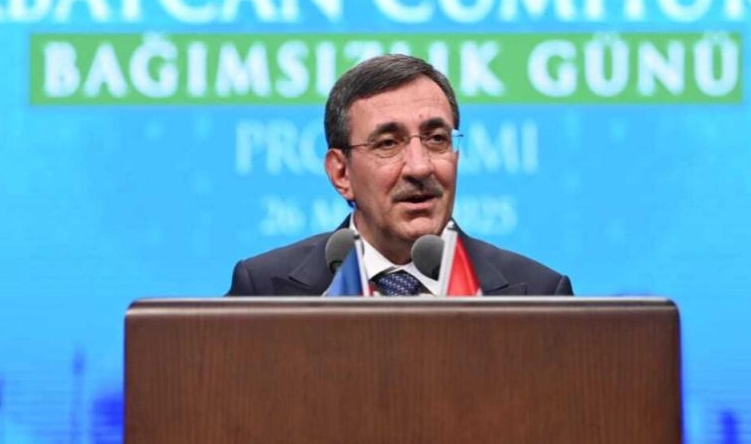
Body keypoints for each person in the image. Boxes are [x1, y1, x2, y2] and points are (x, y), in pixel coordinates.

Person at [227, 54, 572, 296]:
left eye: (436, 139)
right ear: (341, 172)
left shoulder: (539, 293)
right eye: (388, 144)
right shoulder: (264, 287)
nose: (420, 167)